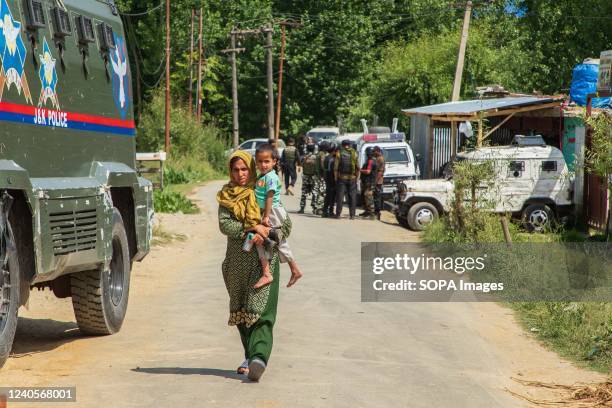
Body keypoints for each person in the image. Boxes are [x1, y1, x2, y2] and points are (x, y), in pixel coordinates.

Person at [217, 150, 299, 382]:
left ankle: (259, 357)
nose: (241, 174)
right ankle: (249, 355)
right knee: (242, 312)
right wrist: (251, 229)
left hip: (266, 262)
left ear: (252, 169)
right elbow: (225, 225)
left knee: (262, 312)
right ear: (230, 171)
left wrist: (269, 233)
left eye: (245, 169)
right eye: (235, 169)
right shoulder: (226, 196)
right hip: (236, 264)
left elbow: (287, 224)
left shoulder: (262, 189)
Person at [252, 143, 303, 289]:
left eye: (267, 161)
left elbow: (269, 196)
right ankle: (291, 270)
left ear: (274, 161)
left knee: (277, 240)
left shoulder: (271, 177)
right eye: (260, 161)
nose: (263, 164)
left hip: (272, 212)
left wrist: (266, 216)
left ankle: (277, 271)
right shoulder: (263, 176)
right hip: (267, 212)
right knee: (266, 241)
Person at [334, 139, 359, 219]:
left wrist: (336, 178)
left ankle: (338, 214)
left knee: (340, 196)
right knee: (352, 197)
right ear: (349, 145)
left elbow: (336, 168)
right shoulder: (354, 153)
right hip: (352, 178)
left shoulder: (339, 153)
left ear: (342, 145)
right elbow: (358, 167)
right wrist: (357, 178)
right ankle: (352, 215)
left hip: (342, 178)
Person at [298, 143, 319, 214]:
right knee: (315, 193)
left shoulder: (304, 157)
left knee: (304, 193)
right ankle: (314, 208)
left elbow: (301, 164)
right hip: (314, 177)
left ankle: (302, 208)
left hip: (305, 177)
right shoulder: (316, 157)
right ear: (314, 149)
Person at [359, 147, 377, 219]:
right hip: (366, 182)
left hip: (369, 182)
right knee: (364, 197)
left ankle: (371, 214)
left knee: (368, 197)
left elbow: (368, 171)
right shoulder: (369, 160)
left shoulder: (371, 161)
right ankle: (367, 211)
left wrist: (360, 170)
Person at [322, 142, 337, 217]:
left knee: (328, 195)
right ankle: (330, 211)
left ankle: (325, 211)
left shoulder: (326, 157)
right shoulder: (334, 159)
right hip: (332, 179)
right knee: (332, 196)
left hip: (327, 178)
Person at [314, 141, 328, 214]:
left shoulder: (318, 154)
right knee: (322, 192)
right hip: (322, 176)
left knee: (319, 191)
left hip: (318, 175)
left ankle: (317, 208)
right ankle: (320, 209)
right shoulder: (322, 154)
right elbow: (322, 166)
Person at [373, 146, 386, 220]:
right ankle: (376, 212)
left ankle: (377, 213)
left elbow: (380, 172)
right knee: (375, 197)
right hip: (376, 180)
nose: (373, 153)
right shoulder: (377, 158)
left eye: (374, 151)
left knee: (377, 198)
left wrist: (375, 181)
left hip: (378, 181)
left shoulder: (380, 159)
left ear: (377, 151)